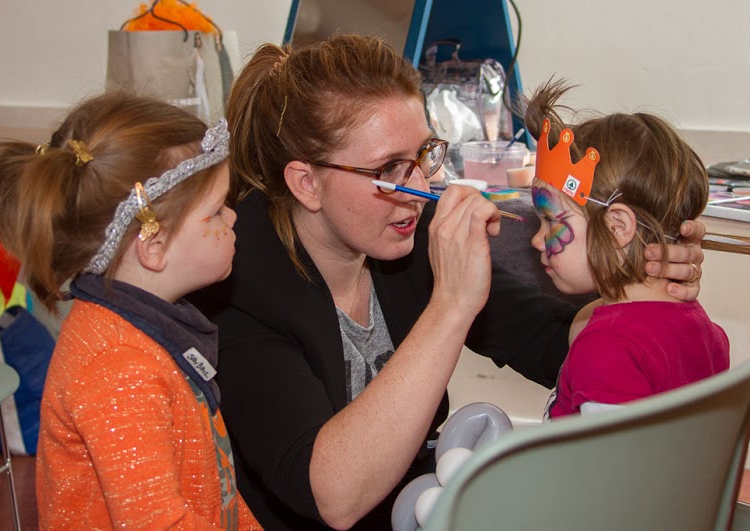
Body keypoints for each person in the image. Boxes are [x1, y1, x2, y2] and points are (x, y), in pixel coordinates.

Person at [188, 34, 707, 530]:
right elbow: (332, 497)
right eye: (390, 168)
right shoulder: (235, 280)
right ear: (306, 182)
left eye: (424, 155)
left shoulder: (409, 233)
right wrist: (451, 306)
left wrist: (641, 276)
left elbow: (554, 343)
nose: (419, 189)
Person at [0, 93, 261, 529]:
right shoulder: (117, 370)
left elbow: (217, 487)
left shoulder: (152, 326)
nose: (232, 218)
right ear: (153, 246)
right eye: (215, 211)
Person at [521, 80, 729, 419]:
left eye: (550, 219)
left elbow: (611, 471)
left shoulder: (606, 346)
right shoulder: (704, 329)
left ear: (617, 227)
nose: (536, 238)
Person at [188, 31, 211, 122]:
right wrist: (193, 80)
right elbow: (189, 67)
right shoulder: (194, 52)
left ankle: (207, 122)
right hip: (197, 80)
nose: (198, 41)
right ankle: (198, 122)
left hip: (202, 81)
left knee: (205, 102)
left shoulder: (202, 52)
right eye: (196, 39)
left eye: (199, 39)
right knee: (199, 102)